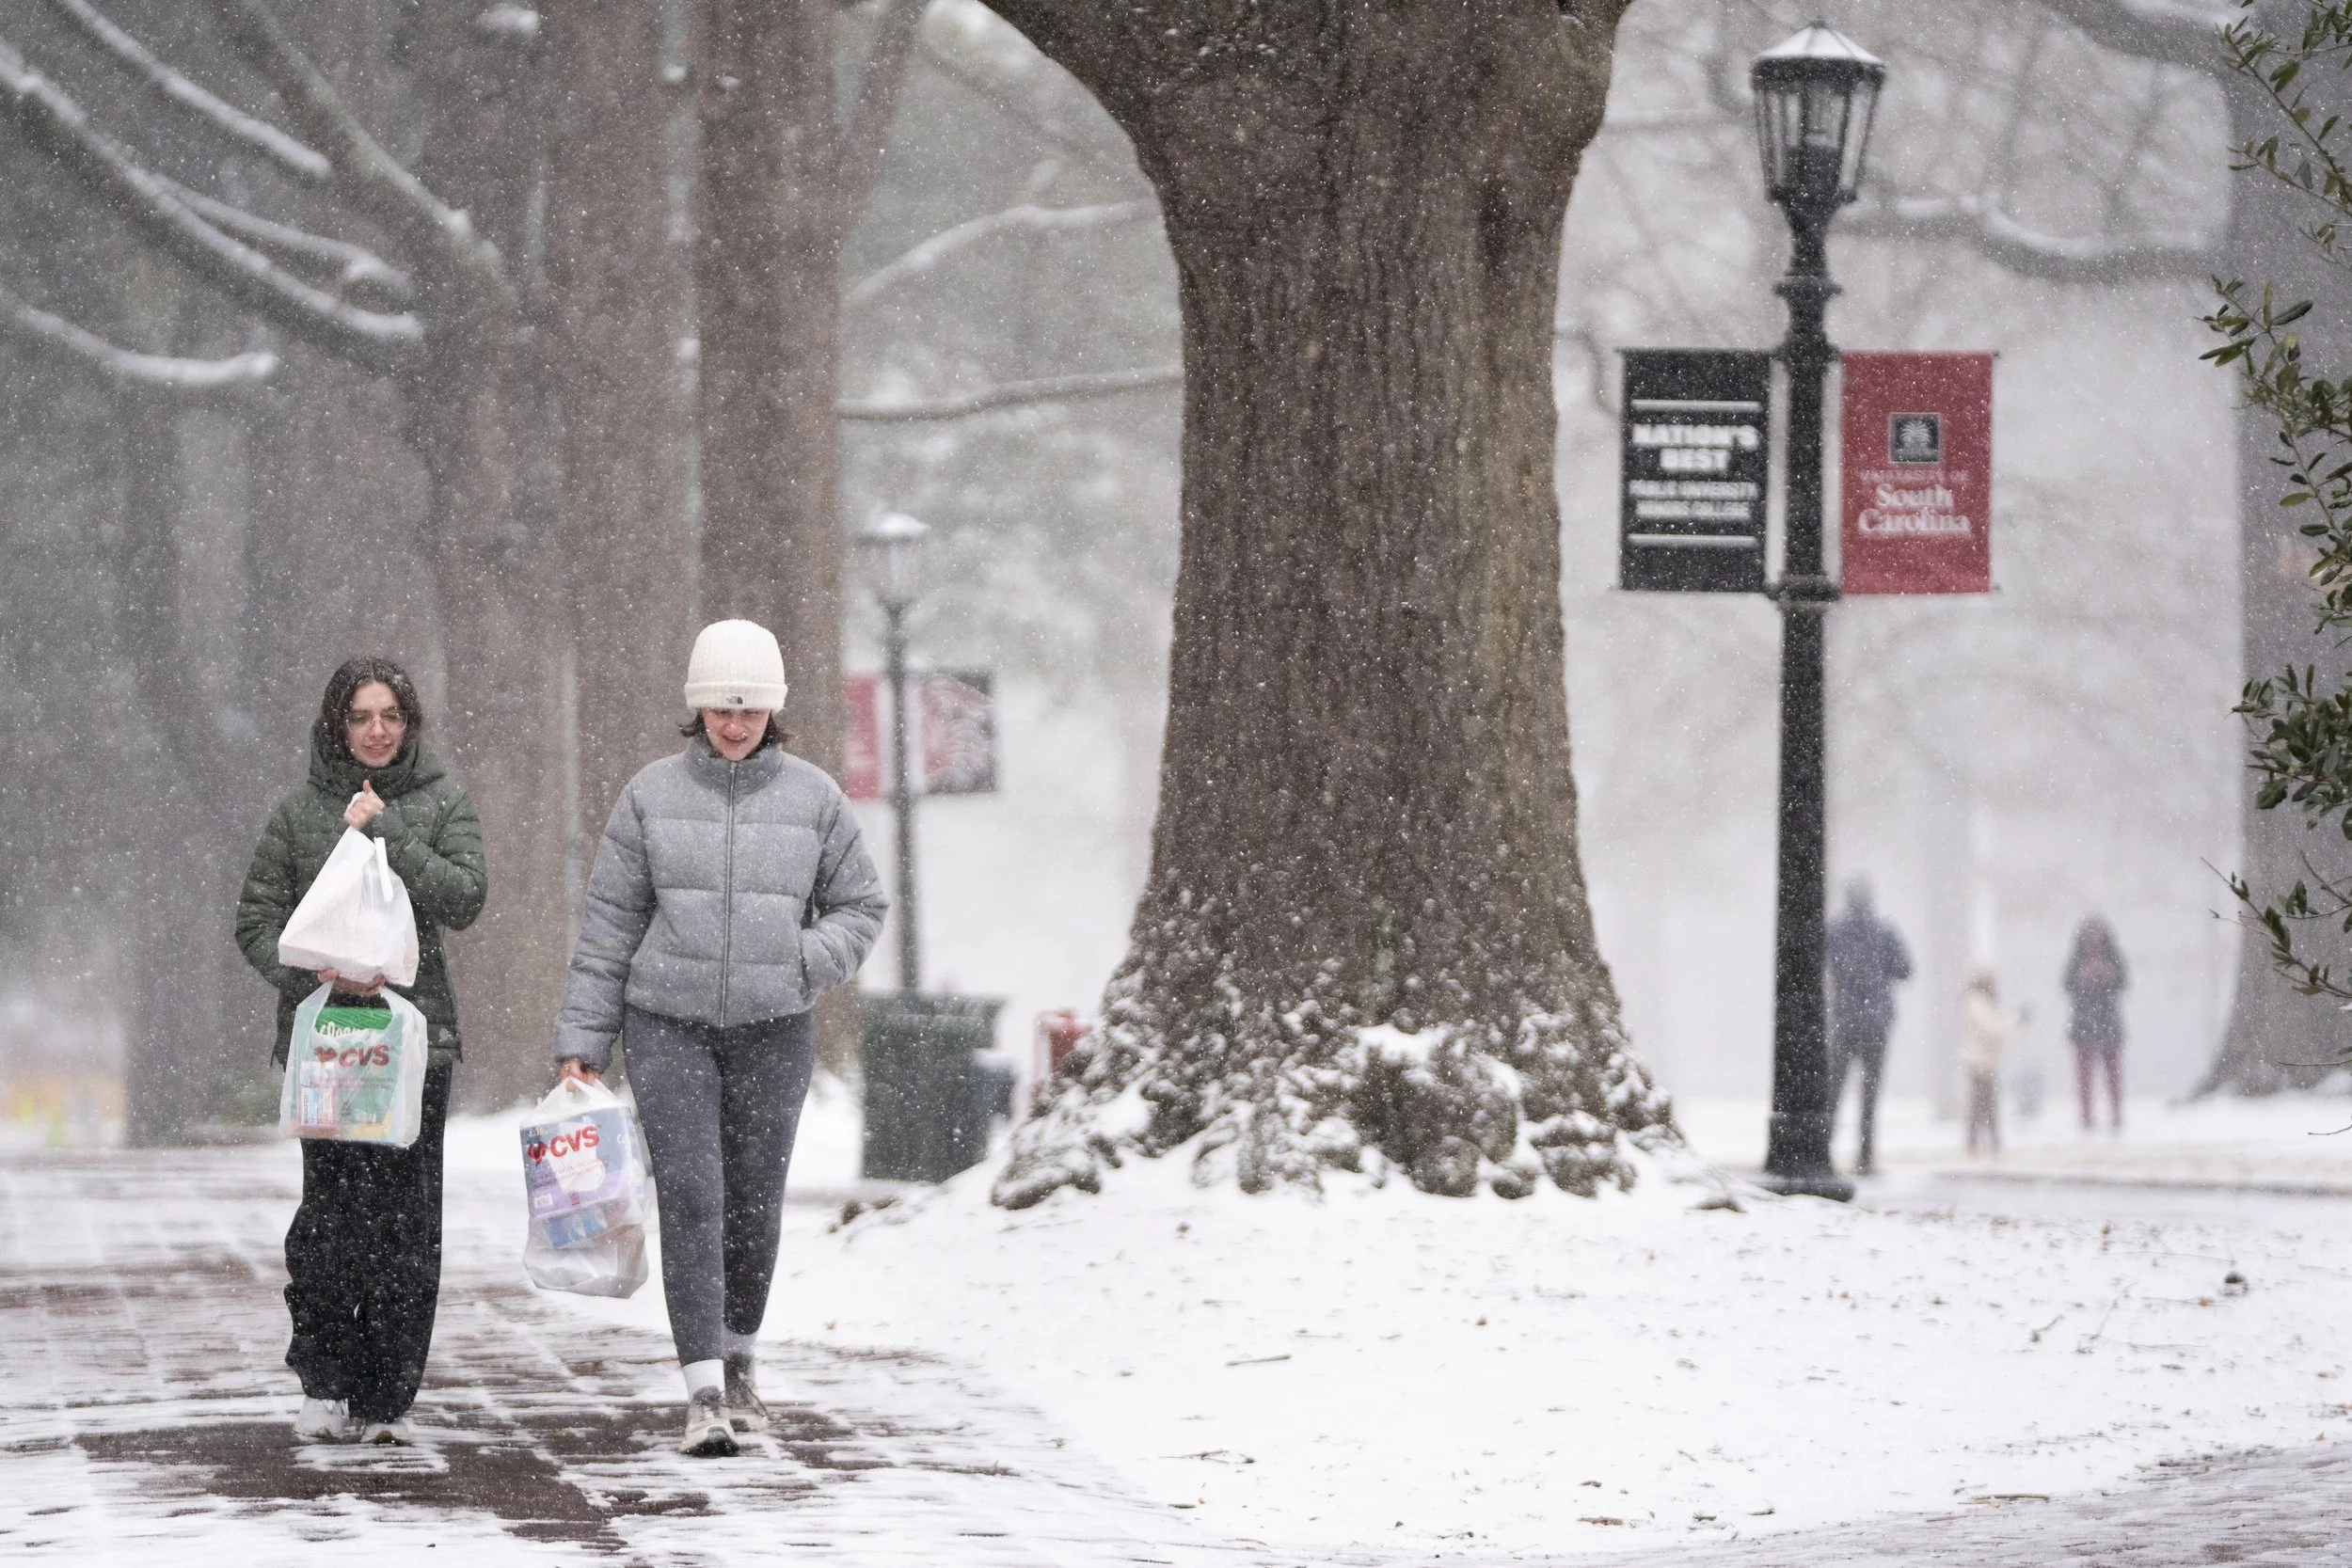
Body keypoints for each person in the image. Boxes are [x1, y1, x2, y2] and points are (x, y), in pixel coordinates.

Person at [555, 619, 886, 1457]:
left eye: (749, 710)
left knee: (753, 1203)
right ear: (697, 708)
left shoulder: (816, 799)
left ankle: (740, 1362)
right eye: (719, 709)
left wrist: (803, 960)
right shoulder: (649, 796)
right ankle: (702, 1389)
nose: (734, 725)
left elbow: (862, 906)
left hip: (775, 1032)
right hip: (667, 1027)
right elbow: (609, 927)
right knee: (693, 1195)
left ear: (773, 711)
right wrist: (584, 1038)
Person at [234, 657, 486, 1446]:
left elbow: (465, 896)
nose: (376, 730)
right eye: (360, 716)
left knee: (406, 1225)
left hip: (415, 1048)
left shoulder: (442, 801)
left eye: (390, 716)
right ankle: (324, 1379)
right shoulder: (298, 813)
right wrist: (313, 971)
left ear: (409, 723)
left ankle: (386, 1394)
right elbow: (255, 919)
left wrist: (388, 831)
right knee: (331, 1220)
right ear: (336, 726)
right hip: (329, 1046)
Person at [1825, 879, 1912, 1176]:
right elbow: (1905, 969)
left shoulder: (1835, 932)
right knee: (1870, 1092)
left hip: (1845, 1020)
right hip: (1876, 1023)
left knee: (1834, 1089)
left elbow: (1821, 963)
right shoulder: (1885, 932)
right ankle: (1865, 1157)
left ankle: (1823, 1149)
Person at [2064, 915, 2128, 1130]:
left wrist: (2107, 976)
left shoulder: (2113, 958)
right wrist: (2083, 978)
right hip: (2083, 1023)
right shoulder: (2076, 960)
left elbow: (2123, 982)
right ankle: (2086, 1115)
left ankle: (2116, 1113)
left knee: (2113, 1073)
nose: (2094, 941)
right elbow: (2066, 983)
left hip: (2109, 1022)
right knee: (2084, 1075)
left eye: (2098, 936)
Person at [1960, 968, 2024, 1154]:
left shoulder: (1982, 1001)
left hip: (1984, 1062)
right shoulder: (1977, 1002)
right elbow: (1991, 1030)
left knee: (1983, 1107)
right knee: (1984, 1107)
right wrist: (2015, 1021)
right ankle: (1984, 1145)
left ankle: (1980, 1145)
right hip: (1979, 1063)